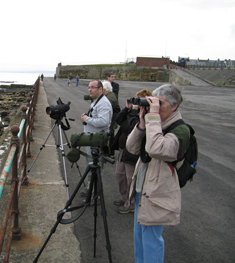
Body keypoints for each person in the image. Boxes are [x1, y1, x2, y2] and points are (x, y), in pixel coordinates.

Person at [126, 83, 190, 263]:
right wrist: (142, 123)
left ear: (175, 105)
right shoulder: (156, 123)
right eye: (153, 102)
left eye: (160, 103)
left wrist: (152, 118)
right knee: (139, 239)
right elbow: (131, 147)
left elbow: (155, 149)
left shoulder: (180, 130)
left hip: (157, 194)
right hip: (142, 190)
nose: (155, 107)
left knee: (152, 241)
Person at [113, 88, 152, 214]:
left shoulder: (144, 117)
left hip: (133, 153)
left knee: (130, 180)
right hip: (123, 149)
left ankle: (130, 204)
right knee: (119, 176)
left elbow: (131, 127)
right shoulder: (131, 113)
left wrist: (135, 111)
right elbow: (118, 120)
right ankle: (124, 198)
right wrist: (127, 108)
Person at [80, 80, 113, 198]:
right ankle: (91, 189)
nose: (90, 90)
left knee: (95, 167)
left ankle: (95, 195)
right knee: (91, 165)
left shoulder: (103, 103)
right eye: (89, 87)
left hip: (97, 140)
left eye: (93, 87)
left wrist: (87, 119)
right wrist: (88, 117)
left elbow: (104, 122)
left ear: (100, 89)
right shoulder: (97, 101)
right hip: (92, 139)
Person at [102, 80, 119, 158]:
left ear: (105, 90)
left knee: (110, 136)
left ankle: (110, 153)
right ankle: (110, 152)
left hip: (111, 120)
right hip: (112, 119)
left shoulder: (109, 98)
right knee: (110, 136)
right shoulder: (110, 95)